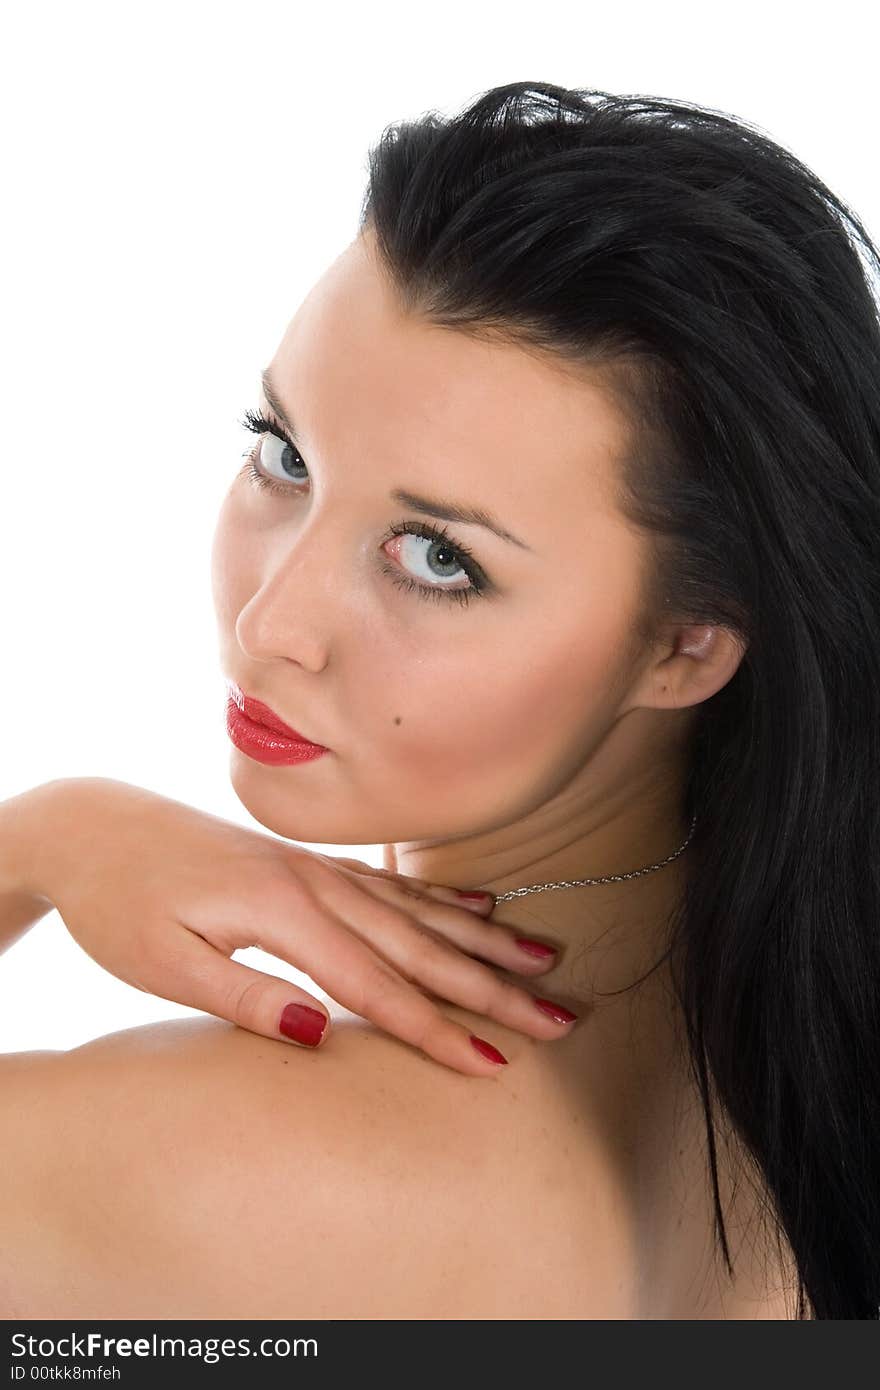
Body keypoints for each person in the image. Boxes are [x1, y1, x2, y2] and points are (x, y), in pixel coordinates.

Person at [1, 79, 878, 1320]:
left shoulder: (189, 1165)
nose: (272, 624)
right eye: (285, 454)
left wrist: (37, 843)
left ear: (682, 649)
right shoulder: (791, 1095)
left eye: (438, 558)